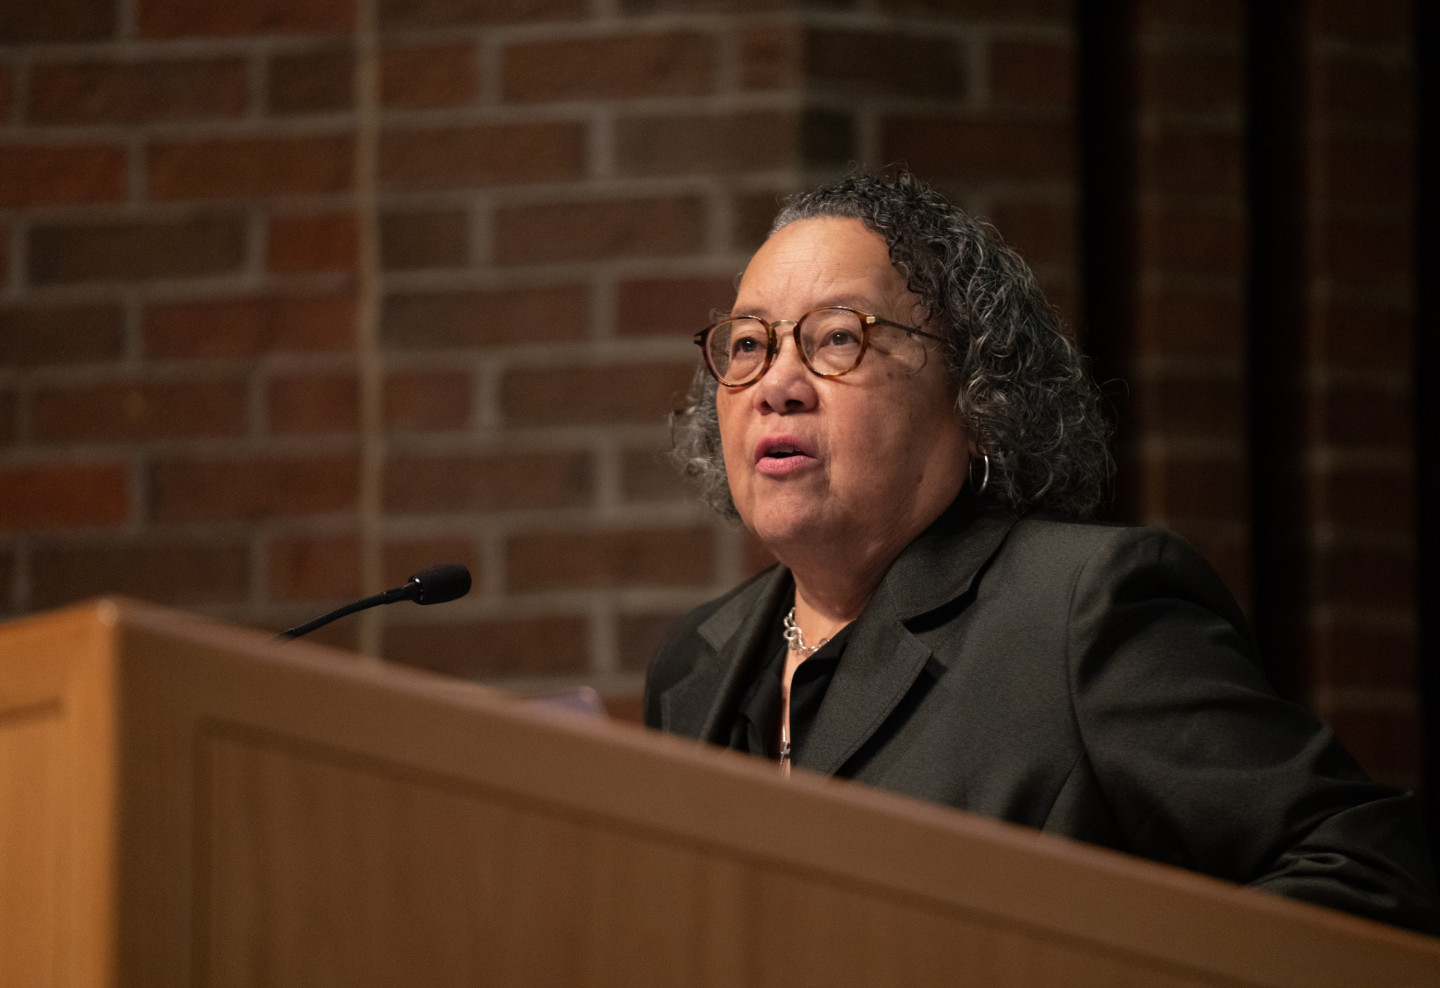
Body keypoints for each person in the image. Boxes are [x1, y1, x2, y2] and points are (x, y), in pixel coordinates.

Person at [643, 170, 1440, 934]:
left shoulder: (1084, 611)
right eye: (748, 344)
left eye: (839, 338)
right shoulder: (696, 664)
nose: (778, 382)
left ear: (976, 395)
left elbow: (1371, 873)